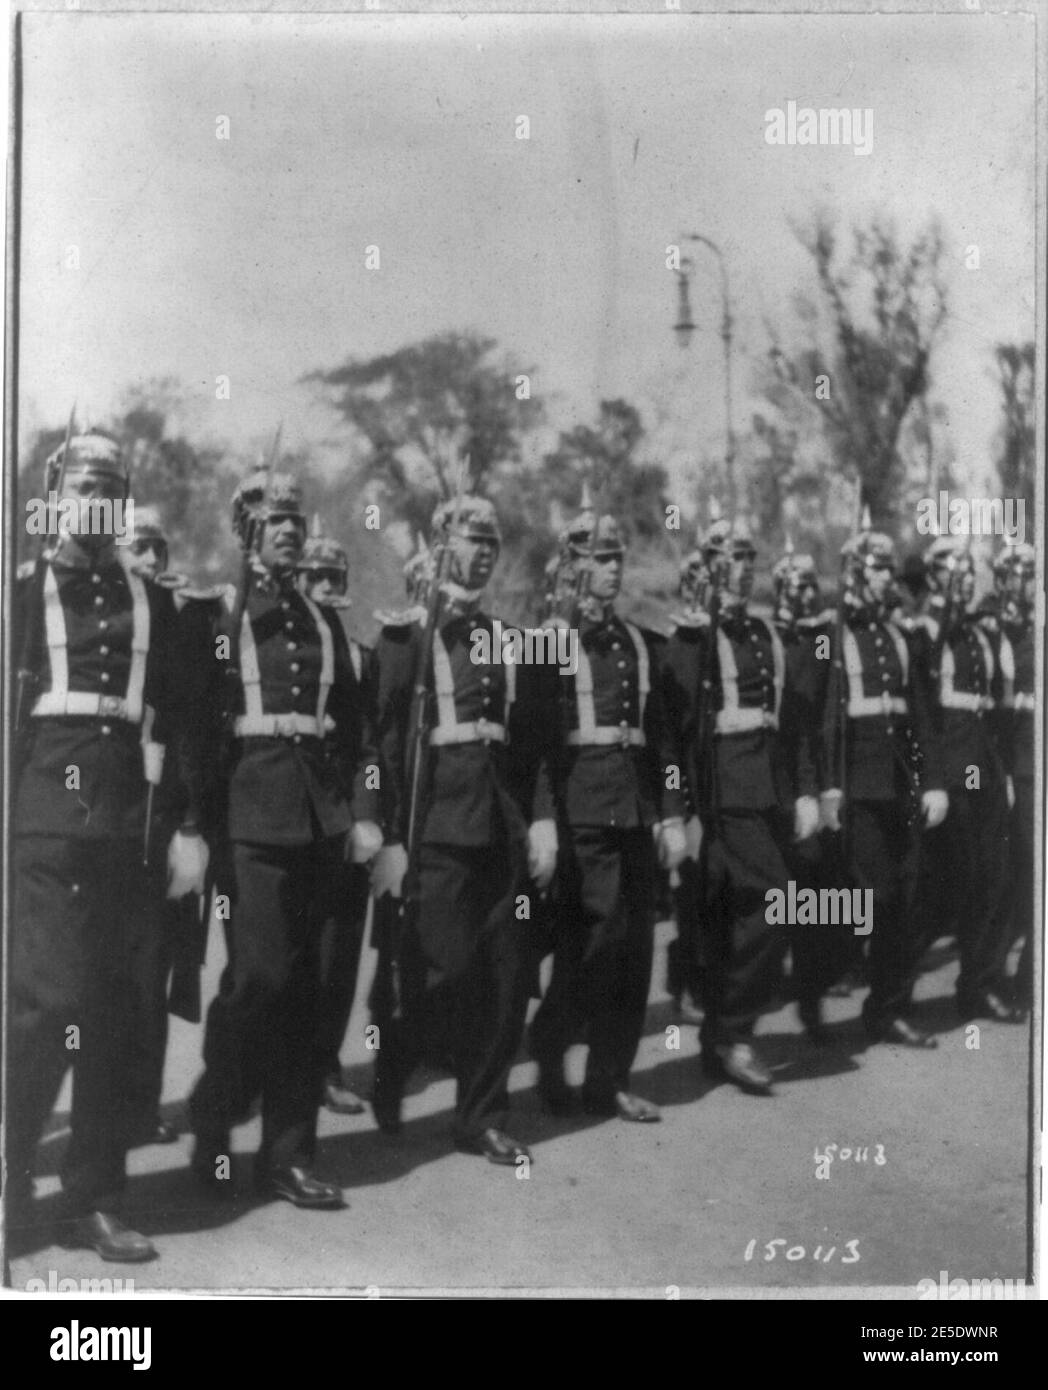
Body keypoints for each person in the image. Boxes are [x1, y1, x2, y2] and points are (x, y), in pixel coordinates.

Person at [7, 430, 209, 1262]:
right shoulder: (21, 592)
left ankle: (93, 1195)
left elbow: (189, 713)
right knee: (43, 1007)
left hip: (129, 825)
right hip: (45, 819)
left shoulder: (152, 601)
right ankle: (13, 1178)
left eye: (111, 488)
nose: (97, 501)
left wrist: (189, 826)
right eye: (83, 485)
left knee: (116, 1016)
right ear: (56, 493)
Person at [187, 467, 382, 1210]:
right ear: (247, 533)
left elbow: (360, 734)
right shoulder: (222, 617)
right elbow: (200, 732)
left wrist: (364, 810)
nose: (291, 531)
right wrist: (195, 829)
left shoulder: (325, 620)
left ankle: (290, 1154)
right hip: (251, 819)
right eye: (275, 521)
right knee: (258, 981)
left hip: (321, 821)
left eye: (297, 520)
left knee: (308, 991)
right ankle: (213, 1120)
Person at [369, 494, 556, 1164]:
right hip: (436, 827)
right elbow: (384, 748)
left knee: (506, 978)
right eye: (469, 541)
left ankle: (481, 1116)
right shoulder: (406, 638)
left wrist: (541, 820)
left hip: (499, 825)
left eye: (490, 544)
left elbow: (530, 746)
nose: (481, 554)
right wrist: (388, 836)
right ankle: (397, 1055)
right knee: (438, 974)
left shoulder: (510, 641)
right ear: (444, 547)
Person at [528, 499, 686, 1122]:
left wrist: (672, 812)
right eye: (599, 559)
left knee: (634, 950)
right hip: (581, 810)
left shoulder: (639, 643)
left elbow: (664, 740)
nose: (614, 569)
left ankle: (608, 1078)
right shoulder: (551, 641)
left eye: (618, 558)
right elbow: (535, 743)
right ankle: (549, 1041)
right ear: (572, 567)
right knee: (591, 944)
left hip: (636, 808)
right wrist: (544, 818)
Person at [661, 518, 812, 1094]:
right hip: (718, 799)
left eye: (750, 556)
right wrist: (676, 811)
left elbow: (794, 727)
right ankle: (729, 1033)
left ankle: (726, 1034)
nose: (744, 567)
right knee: (766, 905)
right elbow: (670, 738)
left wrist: (802, 791)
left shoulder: (769, 636)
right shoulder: (691, 640)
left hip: (765, 792)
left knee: (760, 912)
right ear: (710, 565)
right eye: (732, 557)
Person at [819, 523, 947, 1050]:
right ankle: (814, 991)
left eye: (891, 570)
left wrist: (935, 783)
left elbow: (922, 715)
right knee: (870, 897)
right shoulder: (834, 633)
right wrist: (827, 788)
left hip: (899, 787)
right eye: (877, 569)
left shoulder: (900, 635)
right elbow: (824, 718)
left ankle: (889, 1009)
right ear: (855, 573)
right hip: (858, 790)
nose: (887, 579)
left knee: (907, 897)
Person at [295, 522, 374, 1115]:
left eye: (332, 577)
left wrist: (370, 816)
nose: (323, 587)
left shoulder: (361, 657)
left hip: (343, 818)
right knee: (280, 955)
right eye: (312, 576)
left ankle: (322, 1064)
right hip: (290, 816)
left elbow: (372, 747)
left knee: (338, 952)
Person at [979, 542, 1036, 1009]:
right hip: (1010, 764)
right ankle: (990, 973)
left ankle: (1028, 975)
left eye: (1028, 574)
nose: (1020, 583)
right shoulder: (989, 627)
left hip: (1034, 762)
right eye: (1011, 574)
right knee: (1011, 876)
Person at [661, 537, 709, 1025]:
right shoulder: (680, 648)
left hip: (728, 782)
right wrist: (678, 805)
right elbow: (672, 736)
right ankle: (688, 979)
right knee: (693, 892)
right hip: (692, 786)